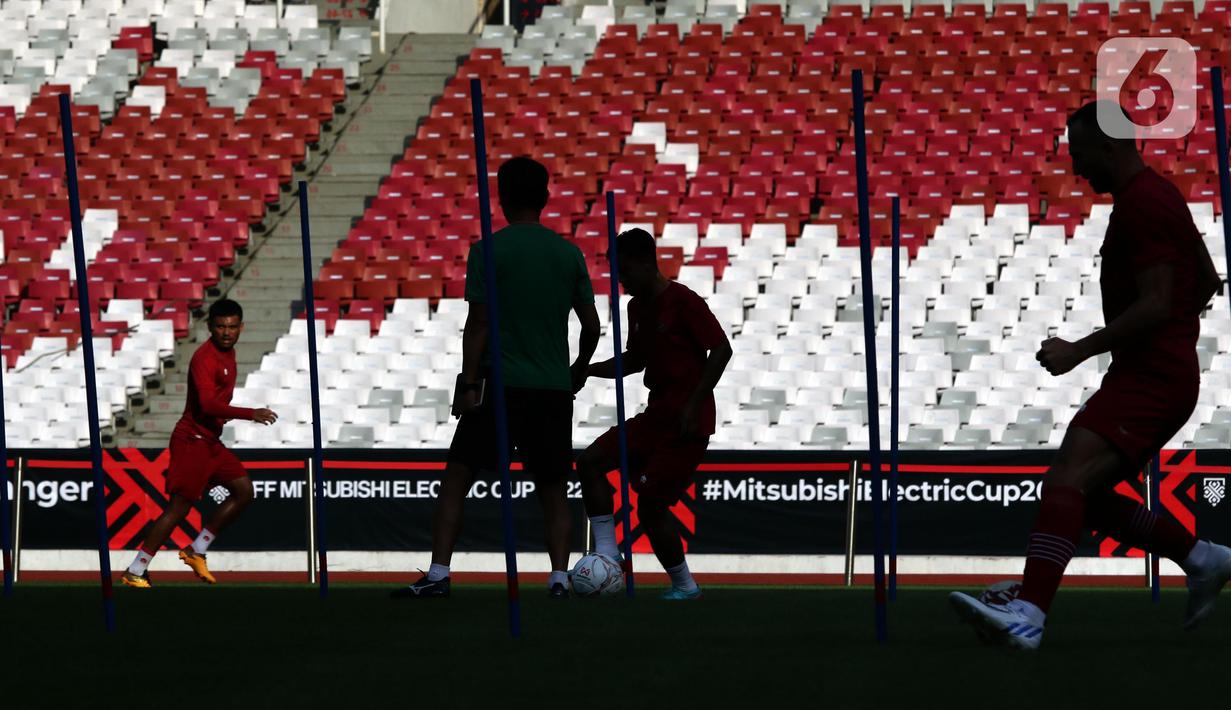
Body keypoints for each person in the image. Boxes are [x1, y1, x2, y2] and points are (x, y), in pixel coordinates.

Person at [950, 101, 1231, 649]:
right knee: (1088, 496)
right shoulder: (1159, 195)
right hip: (1159, 370)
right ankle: (1202, 558)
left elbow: (1157, 302)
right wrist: (1176, 329)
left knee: (1067, 478)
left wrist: (1080, 350)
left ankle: (1029, 614)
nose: (1077, 169)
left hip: (1153, 376)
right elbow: (1204, 280)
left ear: (1110, 146)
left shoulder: (1142, 204)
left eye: (1080, 155)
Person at [393, 157, 601, 599]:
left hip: (500, 384)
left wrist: (469, 383)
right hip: (551, 388)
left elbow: (479, 324)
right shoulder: (568, 253)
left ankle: (439, 574)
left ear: (502, 200)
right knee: (553, 488)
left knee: (457, 477)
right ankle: (559, 578)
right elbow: (591, 325)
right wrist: (579, 369)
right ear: (545, 198)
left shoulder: (489, 250)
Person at [575, 228, 732, 600]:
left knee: (650, 505)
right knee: (590, 462)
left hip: (686, 421)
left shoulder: (684, 301)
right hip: (657, 414)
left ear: (646, 263)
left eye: (625, 271)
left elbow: (722, 349)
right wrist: (587, 370)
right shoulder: (636, 307)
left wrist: (694, 403)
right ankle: (608, 553)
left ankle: (685, 586)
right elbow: (635, 360)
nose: (621, 280)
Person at [120, 299, 278, 588]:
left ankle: (197, 549)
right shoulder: (204, 358)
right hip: (192, 441)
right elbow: (206, 404)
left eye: (232, 327)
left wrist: (222, 416)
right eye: (220, 327)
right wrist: (249, 414)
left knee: (244, 491)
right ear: (209, 327)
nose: (226, 332)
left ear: (241, 327)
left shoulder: (229, 353)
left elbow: (214, 401)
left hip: (210, 441)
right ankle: (136, 569)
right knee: (179, 508)